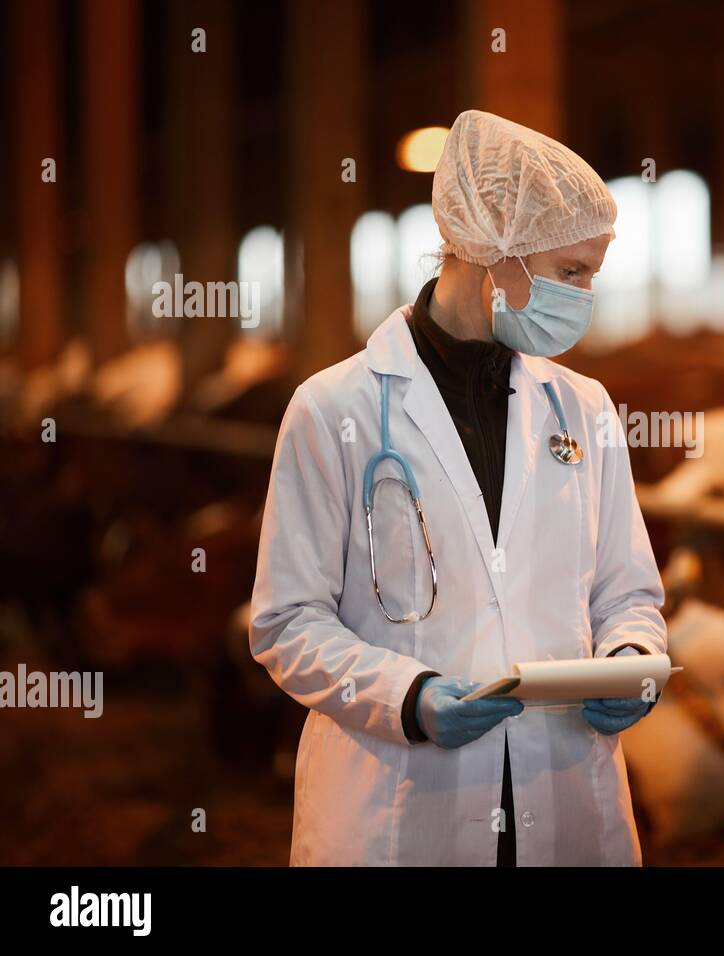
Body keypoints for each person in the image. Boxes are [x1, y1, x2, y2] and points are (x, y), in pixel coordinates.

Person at [249, 109, 667, 866]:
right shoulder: (333, 408)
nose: (583, 298)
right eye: (571, 273)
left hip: (564, 793)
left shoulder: (584, 407)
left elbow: (627, 591)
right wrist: (405, 698)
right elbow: (287, 622)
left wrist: (632, 657)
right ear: (494, 252)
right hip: (400, 810)